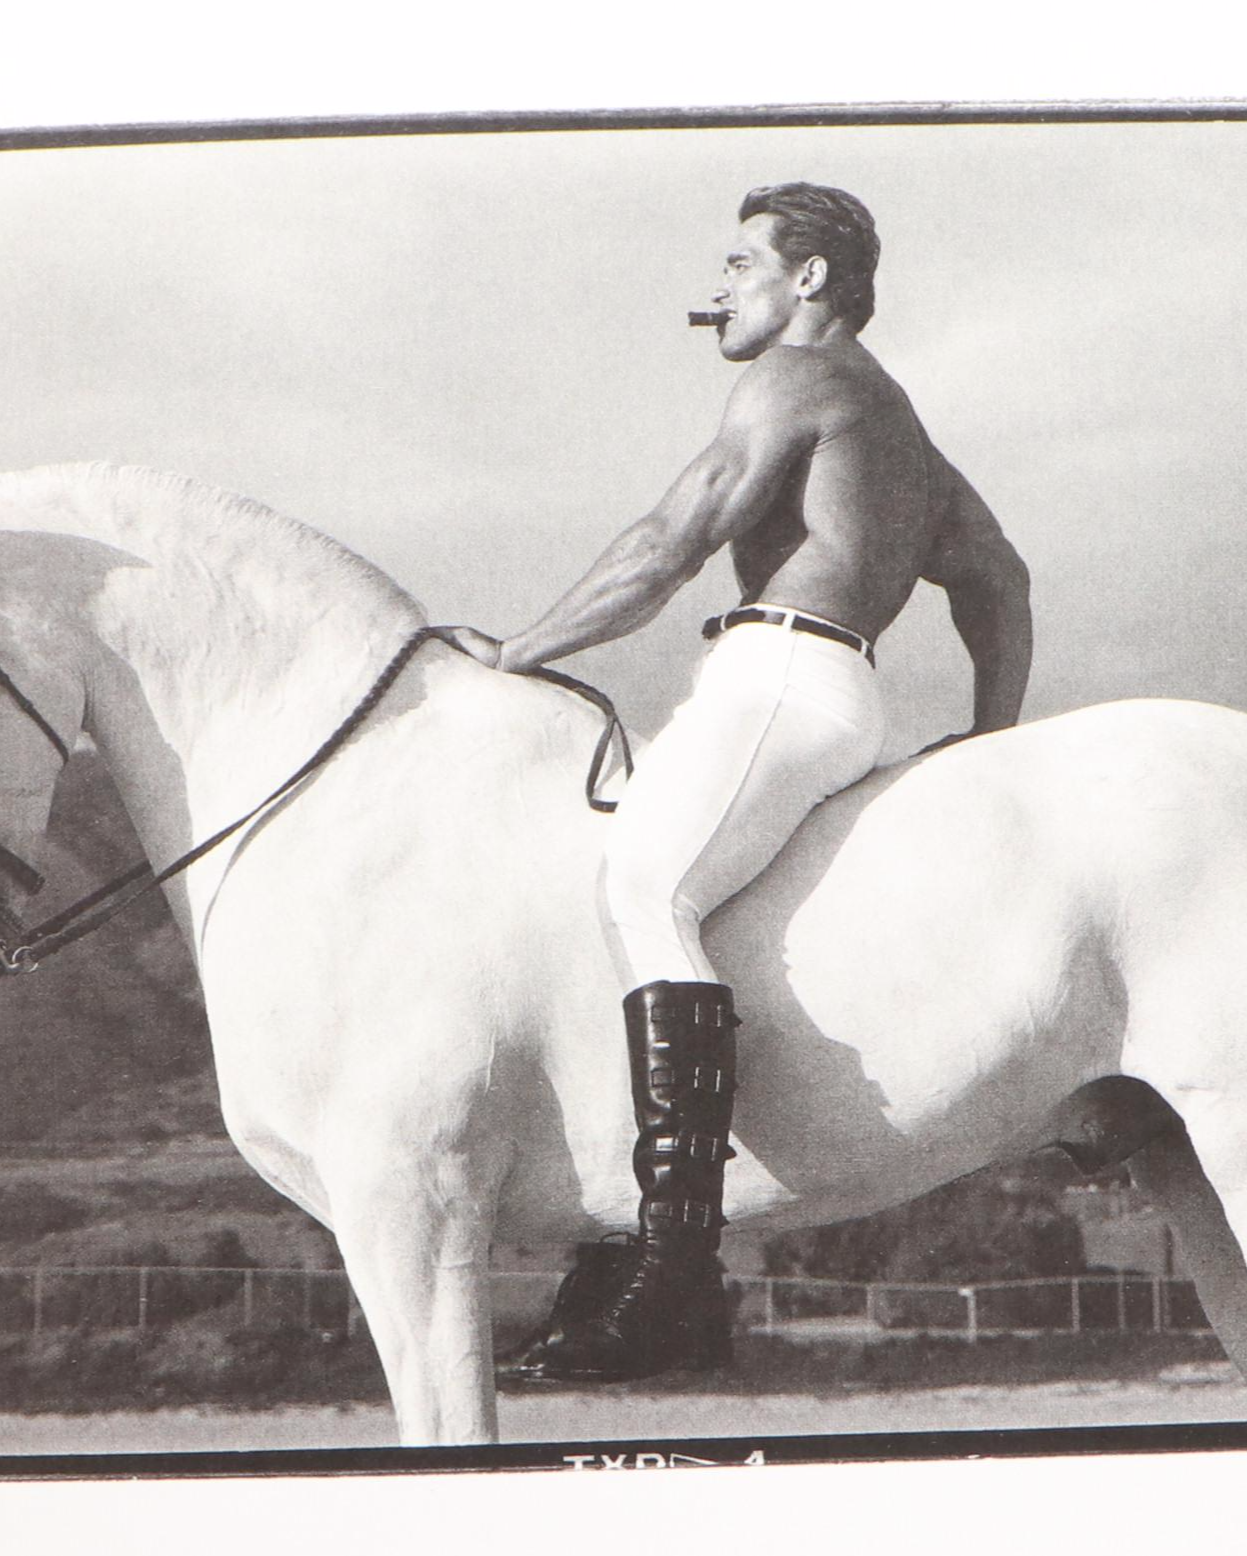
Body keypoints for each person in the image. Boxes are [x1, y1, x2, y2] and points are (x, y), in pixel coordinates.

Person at [445, 182, 1033, 1383]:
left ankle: (673, 1277)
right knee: (624, 897)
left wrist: (514, 651)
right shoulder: (899, 427)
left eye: (737, 262)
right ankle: (619, 1238)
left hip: (777, 679)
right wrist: (989, 732)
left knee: (643, 892)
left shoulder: (793, 379)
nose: (717, 288)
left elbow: (669, 542)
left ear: (807, 279)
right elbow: (1001, 581)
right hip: (827, 687)